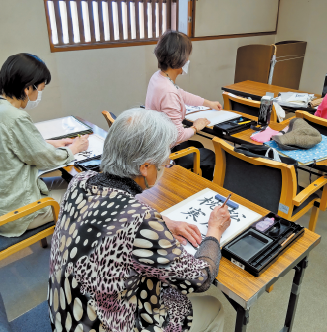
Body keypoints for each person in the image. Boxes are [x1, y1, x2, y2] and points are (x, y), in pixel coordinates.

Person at [48, 108, 230, 332]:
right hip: (106, 324)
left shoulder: (80, 181)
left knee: (164, 285)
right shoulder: (139, 222)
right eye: (164, 163)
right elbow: (201, 279)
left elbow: (108, 214)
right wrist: (214, 231)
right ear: (145, 167)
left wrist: (162, 221)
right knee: (214, 306)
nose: (165, 167)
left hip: (67, 314)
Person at [0, 53, 89, 237]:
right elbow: (45, 159)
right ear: (28, 88)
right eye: (40, 89)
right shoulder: (15, 117)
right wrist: (74, 148)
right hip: (15, 212)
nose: (39, 95)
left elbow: (12, 145)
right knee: (87, 197)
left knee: (74, 183)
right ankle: (76, 256)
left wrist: (53, 142)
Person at [145, 30, 222, 180]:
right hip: (164, 152)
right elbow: (178, 136)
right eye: (187, 56)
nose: (188, 59)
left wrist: (209, 103)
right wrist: (196, 126)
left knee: (198, 144)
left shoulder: (159, 77)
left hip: (157, 141)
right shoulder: (168, 91)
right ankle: (195, 189)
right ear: (179, 59)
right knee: (209, 156)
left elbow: (182, 94)